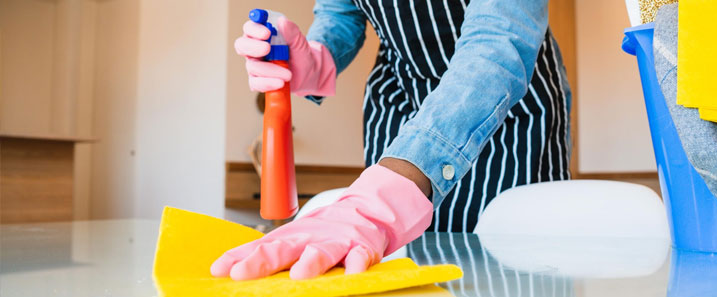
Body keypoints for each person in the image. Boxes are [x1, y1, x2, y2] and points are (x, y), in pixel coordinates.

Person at [211, 0, 571, 281]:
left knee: (507, 292)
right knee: (400, 295)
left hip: (508, 117)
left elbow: (497, 40)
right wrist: (313, 61)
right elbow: (342, 16)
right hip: (401, 102)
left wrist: (379, 202)